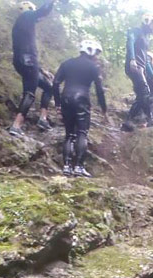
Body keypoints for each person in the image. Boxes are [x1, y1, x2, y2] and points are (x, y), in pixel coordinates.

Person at [52, 39, 107, 178]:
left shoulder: (67, 63)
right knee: (82, 132)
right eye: (96, 53)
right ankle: (79, 167)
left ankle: (66, 166)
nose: (97, 56)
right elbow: (99, 89)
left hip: (66, 98)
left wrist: (57, 103)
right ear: (92, 52)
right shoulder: (93, 67)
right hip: (82, 99)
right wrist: (103, 108)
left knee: (69, 134)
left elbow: (56, 83)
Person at [9, 0, 60, 136]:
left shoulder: (21, 24)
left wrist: (41, 70)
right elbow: (43, 11)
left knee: (48, 87)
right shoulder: (26, 16)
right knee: (29, 93)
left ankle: (43, 119)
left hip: (24, 62)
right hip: (29, 62)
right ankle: (16, 125)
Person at [122, 14, 153, 131]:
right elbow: (130, 43)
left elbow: (146, 60)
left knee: (141, 95)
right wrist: (132, 59)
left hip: (141, 67)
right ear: (146, 21)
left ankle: (127, 123)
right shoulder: (135, 31)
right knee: (144, 91)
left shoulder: (146, 38)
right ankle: (149, 119)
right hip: (135, 66)